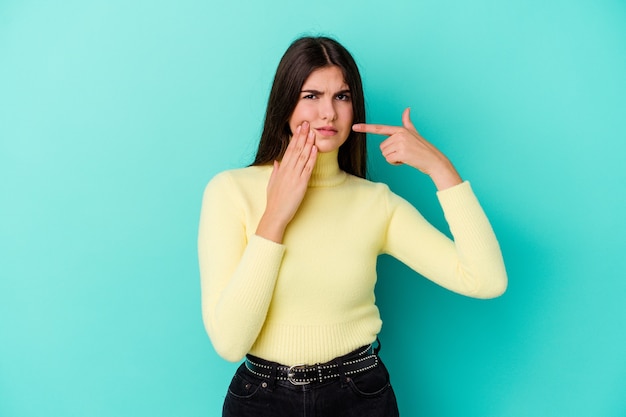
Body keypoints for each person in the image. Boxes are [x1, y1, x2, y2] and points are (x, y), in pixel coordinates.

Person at [198, 36, 507, 417]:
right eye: (311, 95)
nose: (328, 113)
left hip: (358, 396)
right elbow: (230, 343)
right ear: (285, 104)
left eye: (341, 97)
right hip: (261, 400)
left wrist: (440, 170)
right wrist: (275, 216)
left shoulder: (375, 203)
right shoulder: (230, 191)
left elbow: (487, 280)